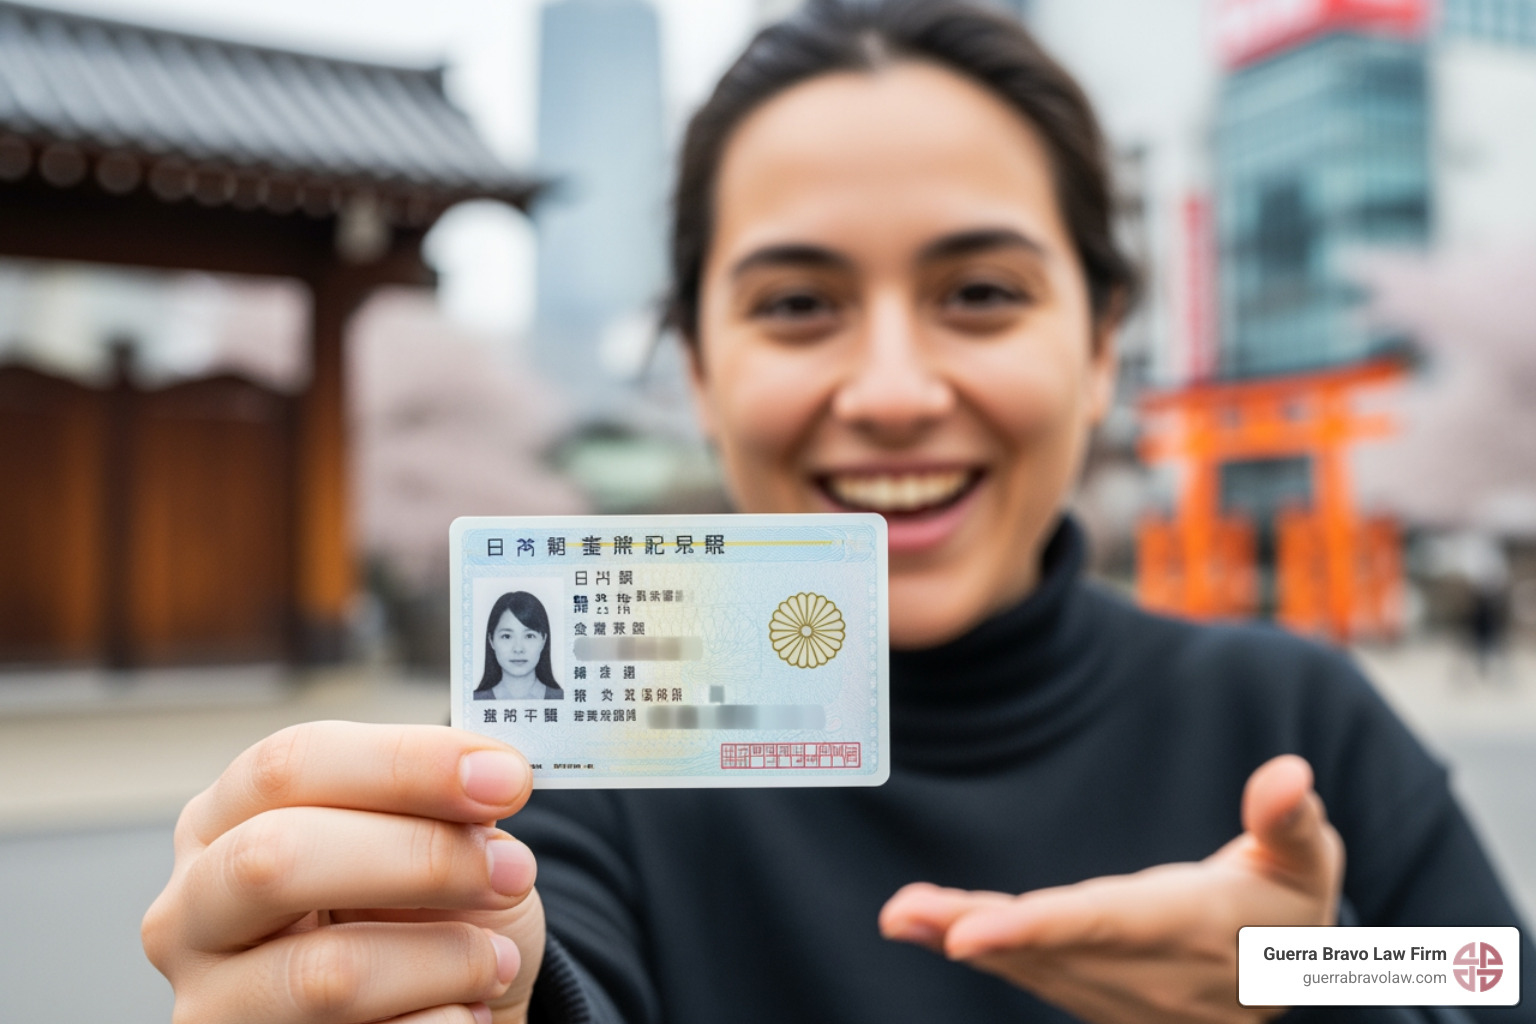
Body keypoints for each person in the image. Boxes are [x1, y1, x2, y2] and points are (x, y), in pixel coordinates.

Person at [141, 2, 1533, 1022]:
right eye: (798, 304)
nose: (890, 390)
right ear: (695, 364)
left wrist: (1301, 970)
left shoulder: (1289, 713)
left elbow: (1482, 971)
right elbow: (552, 974)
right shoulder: (589, 760)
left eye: (981, 291)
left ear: (1104, 343)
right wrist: (450, 988)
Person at [475, 592, 564, 700]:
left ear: (543, 640)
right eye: (507, 636)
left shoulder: (563, 699)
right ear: (491, 640)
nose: (518, 649)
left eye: (529, 636)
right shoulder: (473, 701)